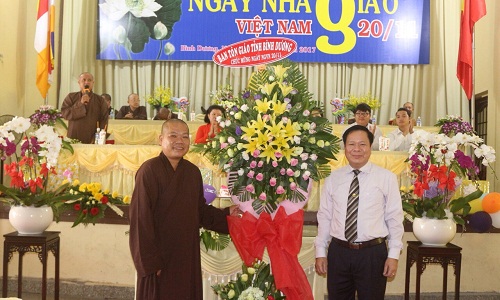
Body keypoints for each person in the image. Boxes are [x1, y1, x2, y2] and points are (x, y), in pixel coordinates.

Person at [129, 119, 242, 300]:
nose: (179, 141)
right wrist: (149, 262)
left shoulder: (191, 172)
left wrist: (226, 214)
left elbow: (199, 211)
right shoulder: (149, 171)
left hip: (185, 254)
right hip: (159, 258)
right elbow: (140, 219)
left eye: (184, 136)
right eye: (173, 135)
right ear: (161, 139)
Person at [315, 125, 404, 300]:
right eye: (351, 144)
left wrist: (393, 255)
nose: (357, 149)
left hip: (372, 254)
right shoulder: (333, 178)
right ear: (345, 147)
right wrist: (320, 252)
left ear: (371, 147)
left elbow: (394, 218)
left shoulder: (386, 178)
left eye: (362, 144)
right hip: (338, 252)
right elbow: (325, 216)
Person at [61, 72, 109, 144]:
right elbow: (65, 114)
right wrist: (80, 103)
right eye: (84, 80)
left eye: (89, 80)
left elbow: (104, 120)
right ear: (79, 82)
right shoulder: (71, 97)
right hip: (73, 137)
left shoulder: (100, 100)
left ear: (93, 83)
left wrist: (98, 138)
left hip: (92, 138)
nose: (86, 82)